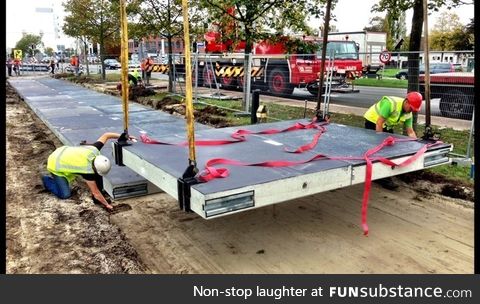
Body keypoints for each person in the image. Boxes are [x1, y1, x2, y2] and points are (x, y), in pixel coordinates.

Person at [42, 132, 136, 211]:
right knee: (65, 194)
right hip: (55, 162)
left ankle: (99, 194)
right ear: (94, 168)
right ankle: (46, 180)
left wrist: (125, 136)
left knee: (97, 176)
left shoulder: (95, 150)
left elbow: (107, 135)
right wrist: (107, 205)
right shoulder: (87, 170)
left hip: (64, 151)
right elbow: (95, 192)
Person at [363, 91, 423, 190]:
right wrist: (380, 141)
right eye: (411, 108)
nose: (411, 111)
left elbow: (410, 131)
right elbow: (379, 123)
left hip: (387, 124)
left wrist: (417, 146)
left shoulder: (408, 113)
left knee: (389, 148)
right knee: (378, 148)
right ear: (406, 102)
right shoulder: (390, 103)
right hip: (373, 121)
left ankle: (384, 173)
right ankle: (381, 178)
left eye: (414, 110)